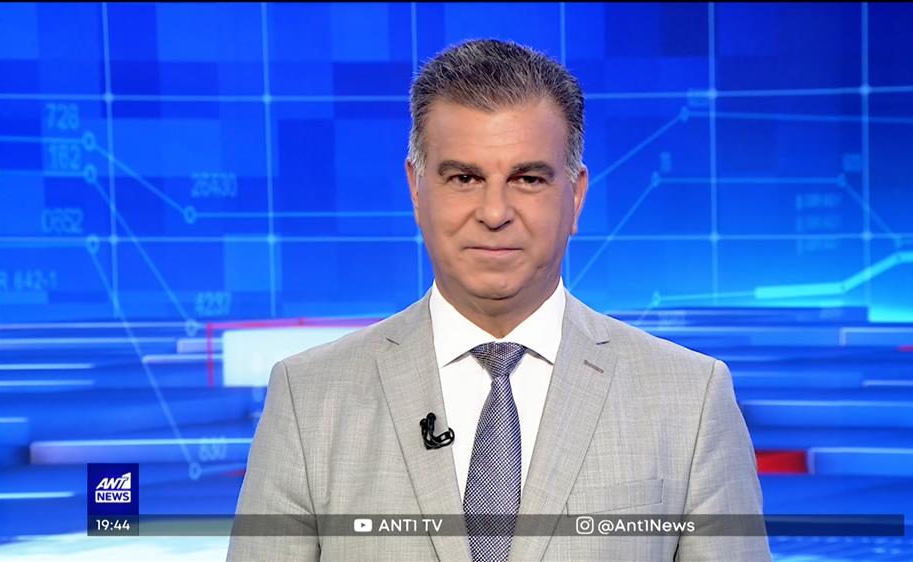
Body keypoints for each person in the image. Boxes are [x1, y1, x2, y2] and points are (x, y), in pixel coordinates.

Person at [228, 38, 770, 562]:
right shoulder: (308, 399)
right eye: (464, 177)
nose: (494, 212)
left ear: (576, 194)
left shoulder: (691, 399)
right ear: (416, 189)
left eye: (527, 179)